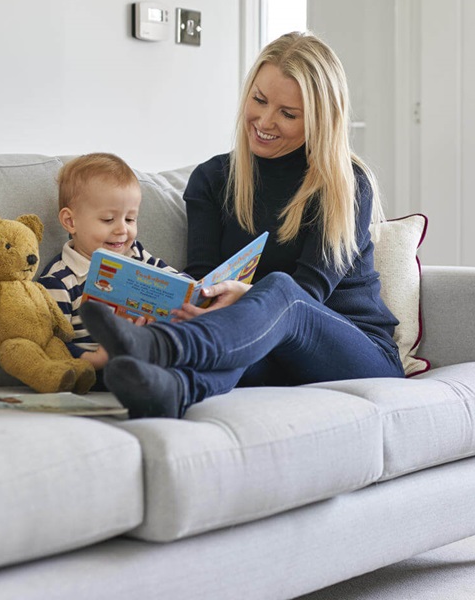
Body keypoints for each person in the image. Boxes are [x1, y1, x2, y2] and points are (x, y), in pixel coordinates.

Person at [81, 31, 404, 418]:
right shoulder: (213, 179)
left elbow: (308, 293)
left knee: (283, 291)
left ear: (320, 122)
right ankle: (172, 388)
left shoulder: (344, 184)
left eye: (288, 113)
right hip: (267, 347)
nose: (265, 122)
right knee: (241, 342)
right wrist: (169, 305)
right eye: (259, 100)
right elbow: (203, 277)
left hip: (355, 353)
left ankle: (162, 346)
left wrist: (245, 299)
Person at [38, 153, 174, 376]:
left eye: (130, 219)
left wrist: (196, 290)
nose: (122, 230)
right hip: (99, 369)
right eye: (108, 220)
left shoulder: (136, 254)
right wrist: (95, 360)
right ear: (70, 221)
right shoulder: (60, 280)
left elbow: (174, 279)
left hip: (149, 352)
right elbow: (51, 344)